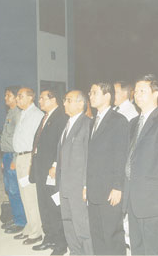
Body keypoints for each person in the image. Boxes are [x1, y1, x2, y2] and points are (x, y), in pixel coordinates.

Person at [122, 74, 158, 255]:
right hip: (133, 195)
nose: (137, 95)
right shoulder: (133, 123)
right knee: (137, 246)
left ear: (155, 93)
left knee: (155, 247)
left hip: (154, 198)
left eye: (142, 91)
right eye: (136, 91)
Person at [87, 82, 129, 255]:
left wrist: (118, 187)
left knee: (112, 235)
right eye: (90, 92)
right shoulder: (92, 122)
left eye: (95, 92)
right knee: (96, 233)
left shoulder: (118, 121)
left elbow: (121, 156)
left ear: (107, 96)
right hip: (94, 188)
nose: (90, 96)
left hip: (110, 189)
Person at [29, 90, 68, 255]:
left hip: (51, 170)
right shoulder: (45, 117)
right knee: (43, 205)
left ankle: (60, 244)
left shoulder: (61, 117)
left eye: (43, 98)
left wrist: (55, 164)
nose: (40, 101)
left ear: (53, 99)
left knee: (54, 207)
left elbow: (61, 144)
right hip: (40, 168)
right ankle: (49, 237)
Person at [56, 90, 93, 255]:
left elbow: (89, 158)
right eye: (64, 100)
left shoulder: (87, 124)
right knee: (68, 221)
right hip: (64, 184)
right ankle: (75, 252)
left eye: (68, 100)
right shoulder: (68, 123)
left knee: (82, 225)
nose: (64, 103)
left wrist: (86, 184)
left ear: (81, 103)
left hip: (78, 185)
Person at [12, 87, 44, 245]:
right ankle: (29, 226)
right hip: (19, 158)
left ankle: (36, 231)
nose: (17, 99)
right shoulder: (23, 113)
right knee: (24, 196)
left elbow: (37, 142)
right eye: (17, 96)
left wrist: (32, 163)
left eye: (20, 96)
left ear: (31, 97)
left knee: (31, 196)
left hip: (28, 159)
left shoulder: (37, 115)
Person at [0, 86, 27, 234]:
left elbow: (19, 139)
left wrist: (14, 159)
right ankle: (16, 216)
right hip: (7, 155)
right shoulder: (10, 112)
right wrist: (4, 159)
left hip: (13, 155)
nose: (5, 98)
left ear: (16, 97)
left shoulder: (18, 114)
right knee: (10, 190)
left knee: (15, 190)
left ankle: (21, 221)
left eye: (8, 95)